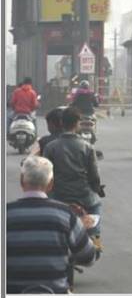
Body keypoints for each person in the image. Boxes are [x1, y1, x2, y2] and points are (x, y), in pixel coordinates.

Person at [5, 155, 97, 294]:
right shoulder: (66, 214)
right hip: (55, 292)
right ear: (51, 184)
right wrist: (86, 231)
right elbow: (89, 258)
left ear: (22, 180)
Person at [43, 108, 105, 251]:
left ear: (61, 123)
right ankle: (95, 241)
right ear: (77, 124)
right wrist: (97, 189)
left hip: (58, 196)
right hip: (85, 197)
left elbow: (47, 175)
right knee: (96, 206)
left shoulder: (50, 147)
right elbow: (94, 176)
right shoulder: (87, 147)